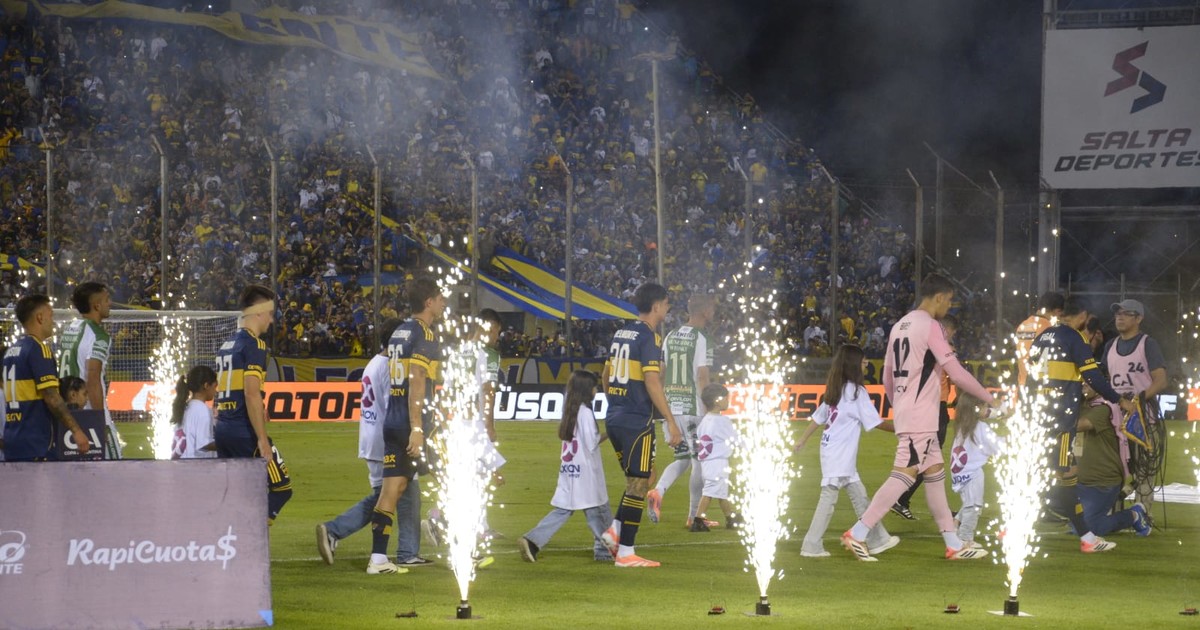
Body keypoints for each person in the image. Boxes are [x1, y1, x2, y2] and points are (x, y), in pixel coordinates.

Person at [841, 273, 996, 561]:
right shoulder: (931, 326)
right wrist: (989, 398)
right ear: (939, 297)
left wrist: (901, 407)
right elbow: (955, 371)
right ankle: (858, 533)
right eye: (949, 301)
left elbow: (887, 377)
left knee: (934, 474)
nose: (949, 306)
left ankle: (953, 543)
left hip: (910, 411)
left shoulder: (900, 325)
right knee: (904, 474)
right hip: (921, 416)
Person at [1029, 295, 1135, 553]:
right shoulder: (1075, 338)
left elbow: (1030, 378)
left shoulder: (1042, 336)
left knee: (1044, 474)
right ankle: (1087, 538)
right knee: (1066, 476)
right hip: (1060, 419)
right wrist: (1119, 400)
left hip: (1038, 416)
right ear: (1083, 316)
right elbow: (1093, 376)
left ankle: (1017, 525)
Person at [316, 319, 425, 567]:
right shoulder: (390, 367)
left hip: (370, 438)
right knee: (400, 495)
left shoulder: (374, 362)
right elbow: (395, 406)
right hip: (388, 441)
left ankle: (336, 531)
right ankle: (407, 552)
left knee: (386, 495)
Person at [600, 282, 682, 568]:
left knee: (641, 478)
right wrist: (670, 421)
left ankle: (614, 530)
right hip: (637, 419)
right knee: (639, 482)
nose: (667, 309)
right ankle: (626, 551)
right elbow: (652, 382)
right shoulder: (650, 337)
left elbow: (606, 374)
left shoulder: (621, 333)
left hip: (616, 416)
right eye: (666, 304)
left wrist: (615, 404)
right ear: (657, 305)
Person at [368, 276, 444, 575]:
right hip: (416, 425)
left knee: (393, 489)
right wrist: (417, 428)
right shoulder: (425, 334)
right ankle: (464, 546)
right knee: (454, 478)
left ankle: (378, 559)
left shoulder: (398, 332)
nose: (443, 303)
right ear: (429, 302)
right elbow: (417, 378)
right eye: (439, 298)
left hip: (393, 420)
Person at [796, 344, 899, 558]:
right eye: (863, 360)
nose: (866, 363)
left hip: (833, 450)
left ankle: (878, 539)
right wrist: (902, 429)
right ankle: (811, 545)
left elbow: (818, 417)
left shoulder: (837, 387)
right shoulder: (856, 391)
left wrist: (802, 440)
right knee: (829, 498)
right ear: (854, 364)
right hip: (839, 454)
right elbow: (876, 422)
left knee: (860, 496)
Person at [214, 285, 292, 525]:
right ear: (259, 312)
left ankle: (229, 539)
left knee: (240, 493)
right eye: (269, 313)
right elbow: (250, 393)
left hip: (223, 428)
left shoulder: (227, 345)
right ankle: (248, 538)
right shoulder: (255, 345)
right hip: (243, 430)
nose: (271, 319)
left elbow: (221, 392)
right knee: (281, 488)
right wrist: (262, 439)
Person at [518, 370, 614, 563]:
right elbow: (592, 443)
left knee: (563, 510)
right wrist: (611, 433)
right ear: (587, 389)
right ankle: (607, 550)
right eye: (594, 387)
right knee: (599, 509)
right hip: (586, 472)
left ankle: (532, 541)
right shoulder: (586, 412)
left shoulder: (571, 409)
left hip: (570, 469)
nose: (596, 390)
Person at [647, 292, 716, 528]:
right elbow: (702, 376)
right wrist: (708, 410)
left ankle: (658, 491)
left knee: (683, 458)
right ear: (705, 311)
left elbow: (661, 373)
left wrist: (661, 405)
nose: (714, 312)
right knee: (699, 462)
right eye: (712, 308)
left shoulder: (671, 335)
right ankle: (694, 517)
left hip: (670, 408)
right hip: (693, 407)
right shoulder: (702, 338)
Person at [1, 294, 91, 461]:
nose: (53, 321)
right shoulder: (38, 349)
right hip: (35, 443)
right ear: (40, 317)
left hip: (12, 441)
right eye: (51, 315)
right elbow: (52, 398)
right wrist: (76, 431)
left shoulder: (10, 352)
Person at [1101, 298, 1168, 514]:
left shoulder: (1147, 344)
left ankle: (1143, 516)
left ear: (1139, 319)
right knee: (1113, 469)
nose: (1119, 317)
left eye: (1126, 314)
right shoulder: (1110, 346)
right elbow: (1104, 379)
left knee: (1144, 470)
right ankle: (1112, 515)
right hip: (1115, 417)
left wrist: (1138, 399)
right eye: (1117, 313)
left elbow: (1161, 380)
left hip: (1142, 417)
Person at [892, 314, 958, 520]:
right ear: (947, 330)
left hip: (928, 405)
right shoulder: (941, 348)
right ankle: (899, 498)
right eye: (951, 333)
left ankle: (903, 499)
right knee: (928, 459)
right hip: (936, 407)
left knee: (929, 459)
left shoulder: (924, 347)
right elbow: (956, 374)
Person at [1075, 384, 1152, 538]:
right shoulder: (1084, 405)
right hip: (1082, 481)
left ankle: (1134, 516)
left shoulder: (1104, 408)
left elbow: (1082, 425)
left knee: (1089, 529)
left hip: (1102, 481)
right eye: (1081, 381)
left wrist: (1056, 418)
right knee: (1075, 523)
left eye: (1088, 381)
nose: (1083, 385)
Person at [58, 281, 120, 459]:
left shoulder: (70, 328)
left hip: (68, 412)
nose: (110, 303)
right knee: (116, 464)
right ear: (96, 306)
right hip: (89, 412)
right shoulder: (99, 336)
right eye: (107, 299)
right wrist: (99, 420)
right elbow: (92, 379)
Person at [947, 393, 1003, 547]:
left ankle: (955, 523)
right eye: (985, 406)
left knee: (969, 501)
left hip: (960, 472)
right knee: (974, 505)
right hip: (972, 473)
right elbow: (997, 446)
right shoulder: (980, 428)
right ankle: (964, 540)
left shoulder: (963, 425)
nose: (987, 409)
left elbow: (987, 413)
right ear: (977, 408)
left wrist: (999, 413)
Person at [691, 383, 739, 531]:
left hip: (707, 462)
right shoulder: (722, 421)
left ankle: (730, 517)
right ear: (718, 401)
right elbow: (736, 439)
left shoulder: (705, 420)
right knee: (710, 492)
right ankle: (698, 520)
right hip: (718, 462)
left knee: (720, 492)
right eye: (726, 398)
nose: (728, 400)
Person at [1015, 292, 1065, 388]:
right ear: (1057, 311)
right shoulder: (1049, 329)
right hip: (1042, 387)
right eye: (1061, 315)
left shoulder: (1022, 326)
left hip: (1023, 384)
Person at [171, 365, 218, 460]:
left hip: (180, 463)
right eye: (214, 386)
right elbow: (203, 444)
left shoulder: (185, 406)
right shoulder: (202, 409)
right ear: (206, 386)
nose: (216, 391)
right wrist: (228, 443)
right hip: (193, 466)